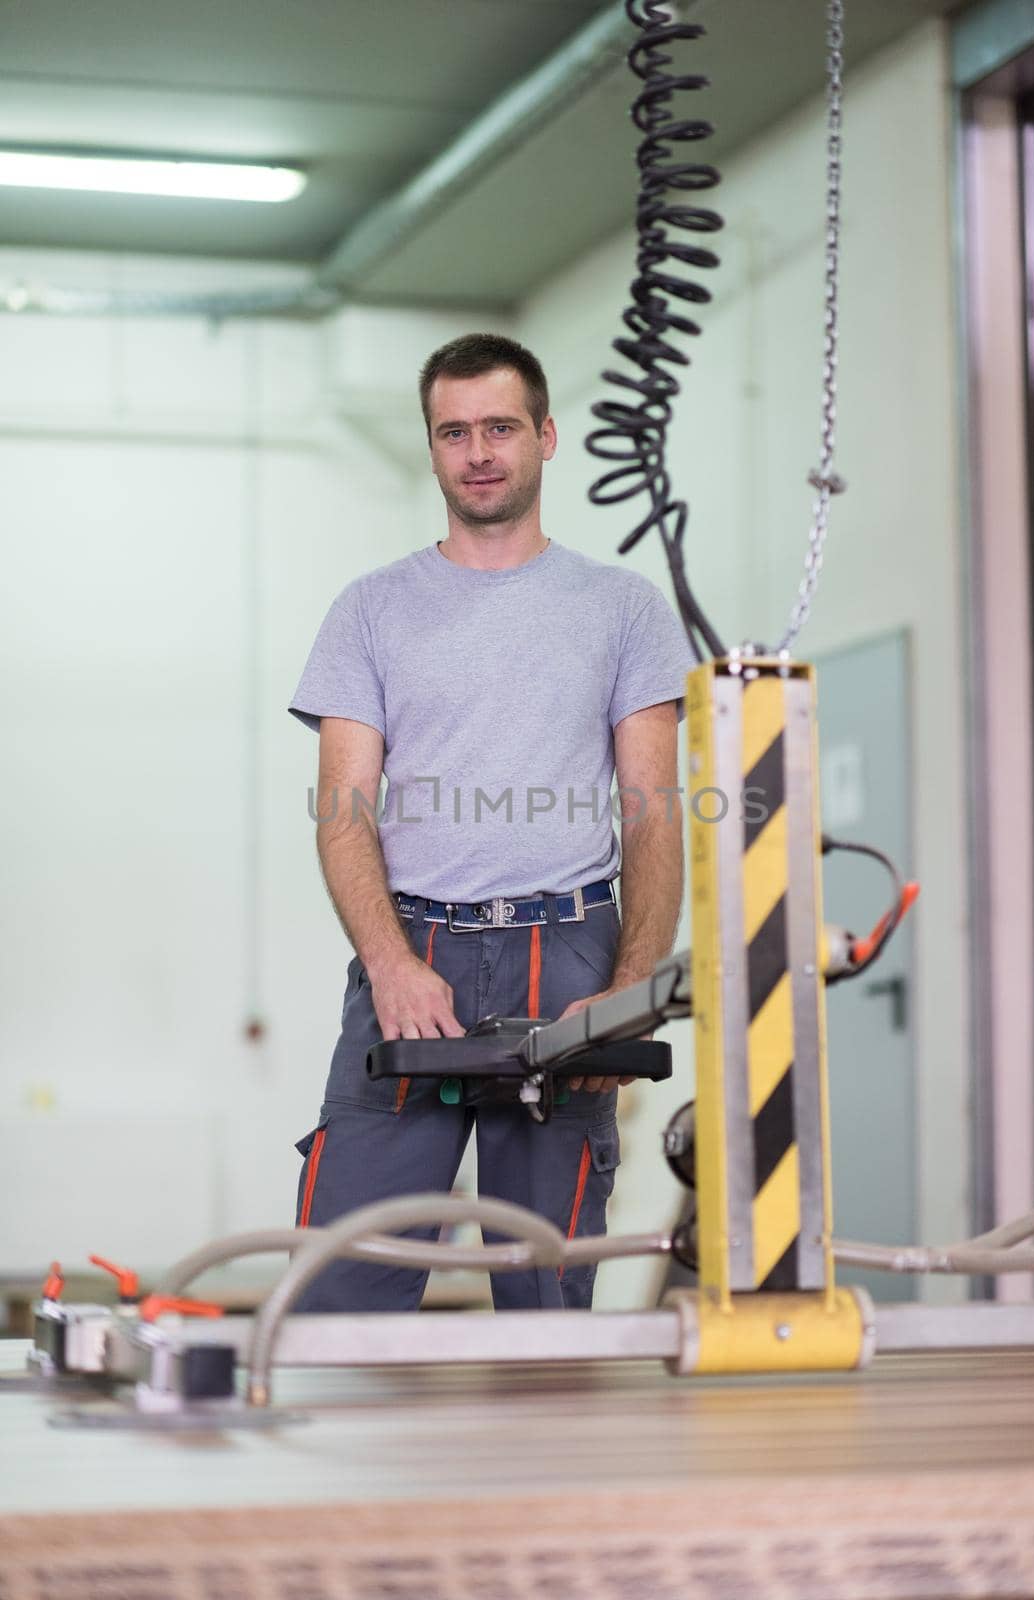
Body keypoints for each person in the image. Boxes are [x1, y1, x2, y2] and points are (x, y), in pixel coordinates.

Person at [287, 331, 694, 1312]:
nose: (478, 450)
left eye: (500, 427)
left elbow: (651, 814)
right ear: (431, 449)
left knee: (548, 1284)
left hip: (570, 953)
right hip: (412, 948)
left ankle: (553, 1468)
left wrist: (633, 985)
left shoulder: (625, 609)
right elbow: (344, 813)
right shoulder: (370, 610)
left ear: (546, 436)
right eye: (455, 431)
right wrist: (388, 960)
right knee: (347, 1279)